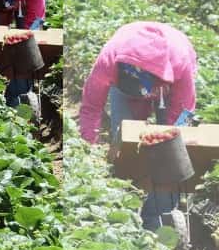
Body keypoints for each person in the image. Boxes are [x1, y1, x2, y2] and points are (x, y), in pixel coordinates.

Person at [79, 21, 197, 231]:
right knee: (125, 138)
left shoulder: (180, 62)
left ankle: (158, 209)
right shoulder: (109, 62)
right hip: (124, 88)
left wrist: (167, 138)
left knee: (168, 148)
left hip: (166, 86)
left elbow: (184, 109)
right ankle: (127, 199)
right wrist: (88, 146)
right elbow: (91, 107)